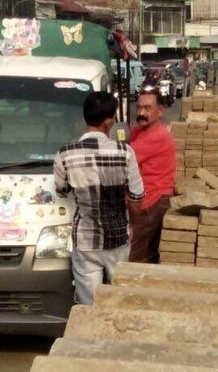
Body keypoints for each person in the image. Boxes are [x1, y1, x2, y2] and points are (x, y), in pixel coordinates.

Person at [54, 91, 145, 305]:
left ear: (84, 118)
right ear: (109, 122)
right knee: (119, 298)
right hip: (118, 240)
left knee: (89, 303)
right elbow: (136, 196)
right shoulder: (125, 152)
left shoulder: (65, 154)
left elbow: (61, 190)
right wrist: (133, 224)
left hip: (85, 241)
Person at [129, 88, 176, 263]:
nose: (141, 112)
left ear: (160, 111)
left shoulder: (158, 136)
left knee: (137, 256)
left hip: (153, 200)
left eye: (147, 108)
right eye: (139, 107)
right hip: (142, 198)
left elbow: (125, 158)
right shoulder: (138, 131)